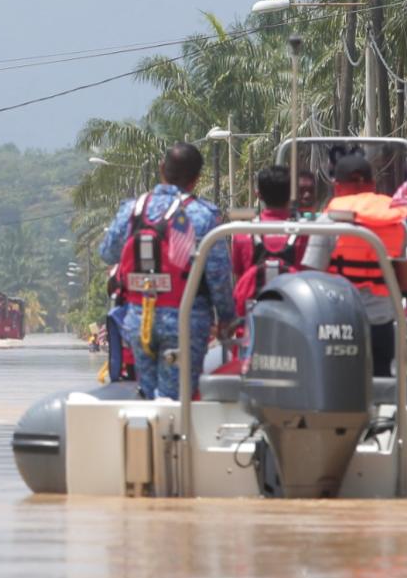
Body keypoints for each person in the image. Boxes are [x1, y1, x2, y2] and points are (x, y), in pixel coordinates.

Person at [99, 142, 235, 400]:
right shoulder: (202, 215)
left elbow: (108, 252)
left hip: (138, 321)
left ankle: (149, 437)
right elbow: (217, 276)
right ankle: (172, 439)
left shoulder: (133, 210)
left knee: (149, 394)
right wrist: (227, 317)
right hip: (185, 323)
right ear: (196, 179)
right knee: (175, 401)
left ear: (162, 168)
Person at [302, 155, 407, 377]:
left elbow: (312, 278)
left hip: (338, 323)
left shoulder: (327, 223)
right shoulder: (398, 222)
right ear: (372, 184)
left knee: (338, 387)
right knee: (380, 387)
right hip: (382, 322)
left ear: (337, 186)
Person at [230, 165, 308, 316]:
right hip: (297, 321)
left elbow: (240, 280)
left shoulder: (243, 235)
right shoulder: (306, 234)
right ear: (292, 194)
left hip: (250, 325)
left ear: (258, 194)